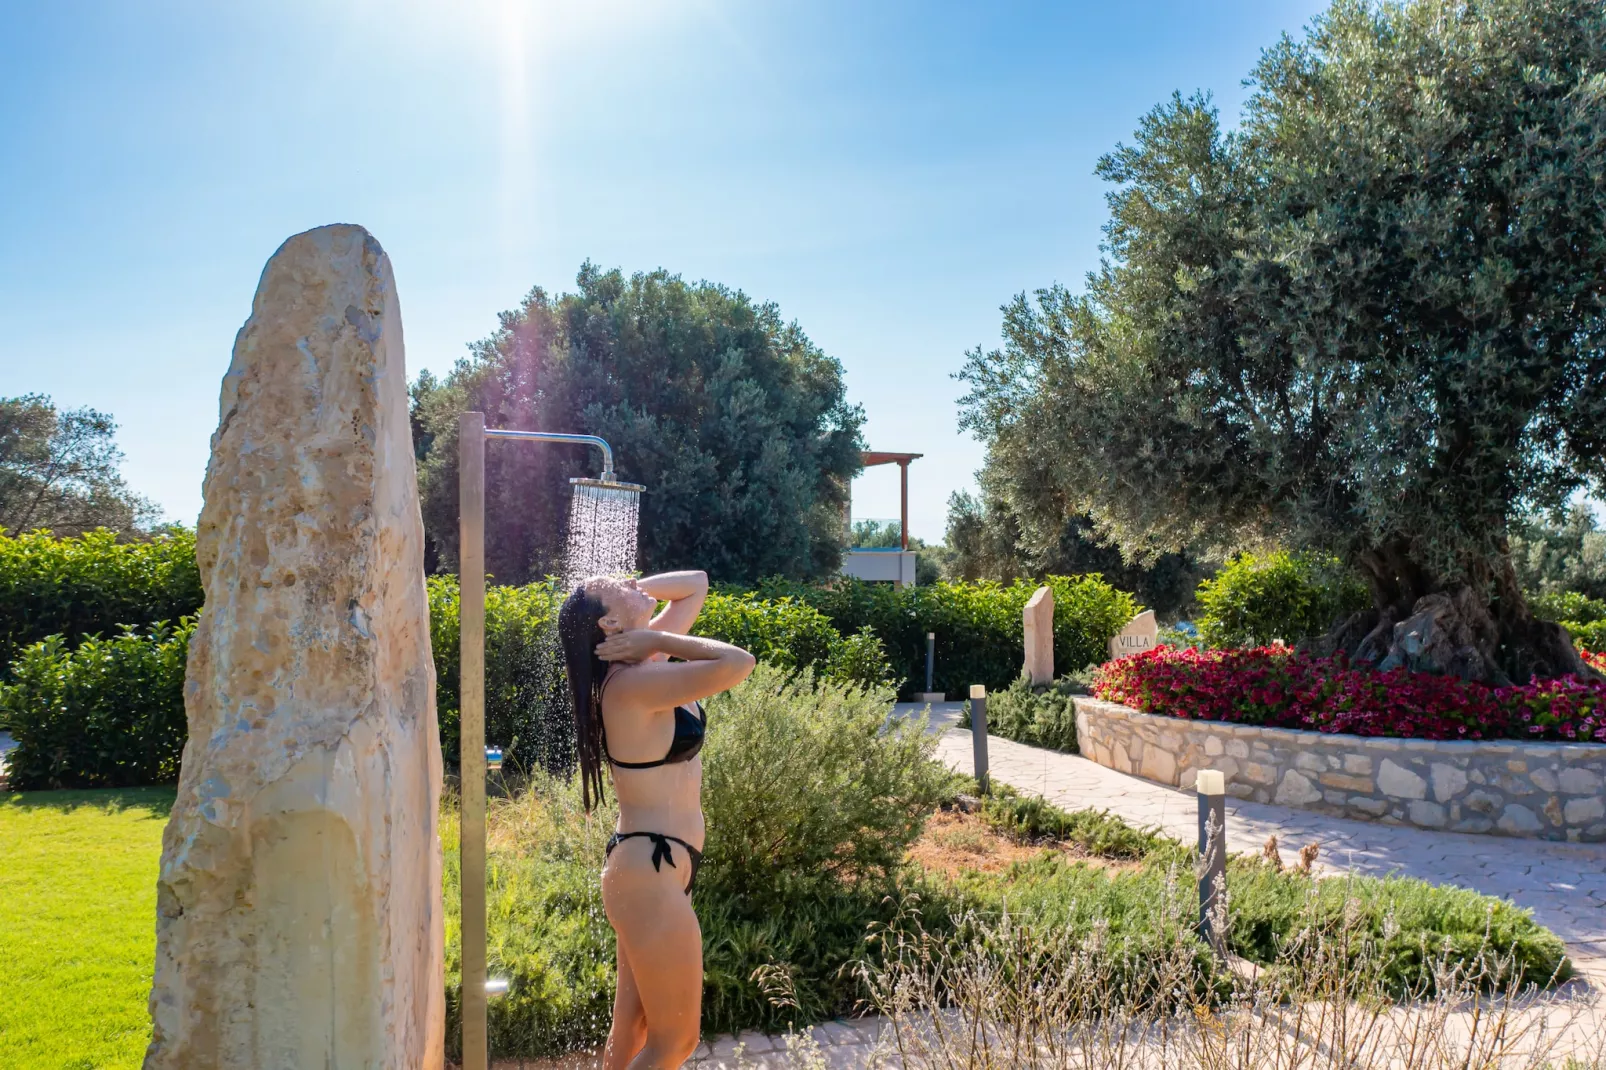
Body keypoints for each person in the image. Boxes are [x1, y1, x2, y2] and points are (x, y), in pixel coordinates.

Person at [558, 570, 755, 1070]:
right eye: (616, 586)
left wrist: (635, 612)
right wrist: (654, 636)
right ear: (608, 622)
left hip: (653, 866)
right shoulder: (632, 685)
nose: (630, 582)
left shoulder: (643, 668)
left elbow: (698, 583)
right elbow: (738, 662)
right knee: (675, 1043)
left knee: (632, 1027)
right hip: (650, 870)